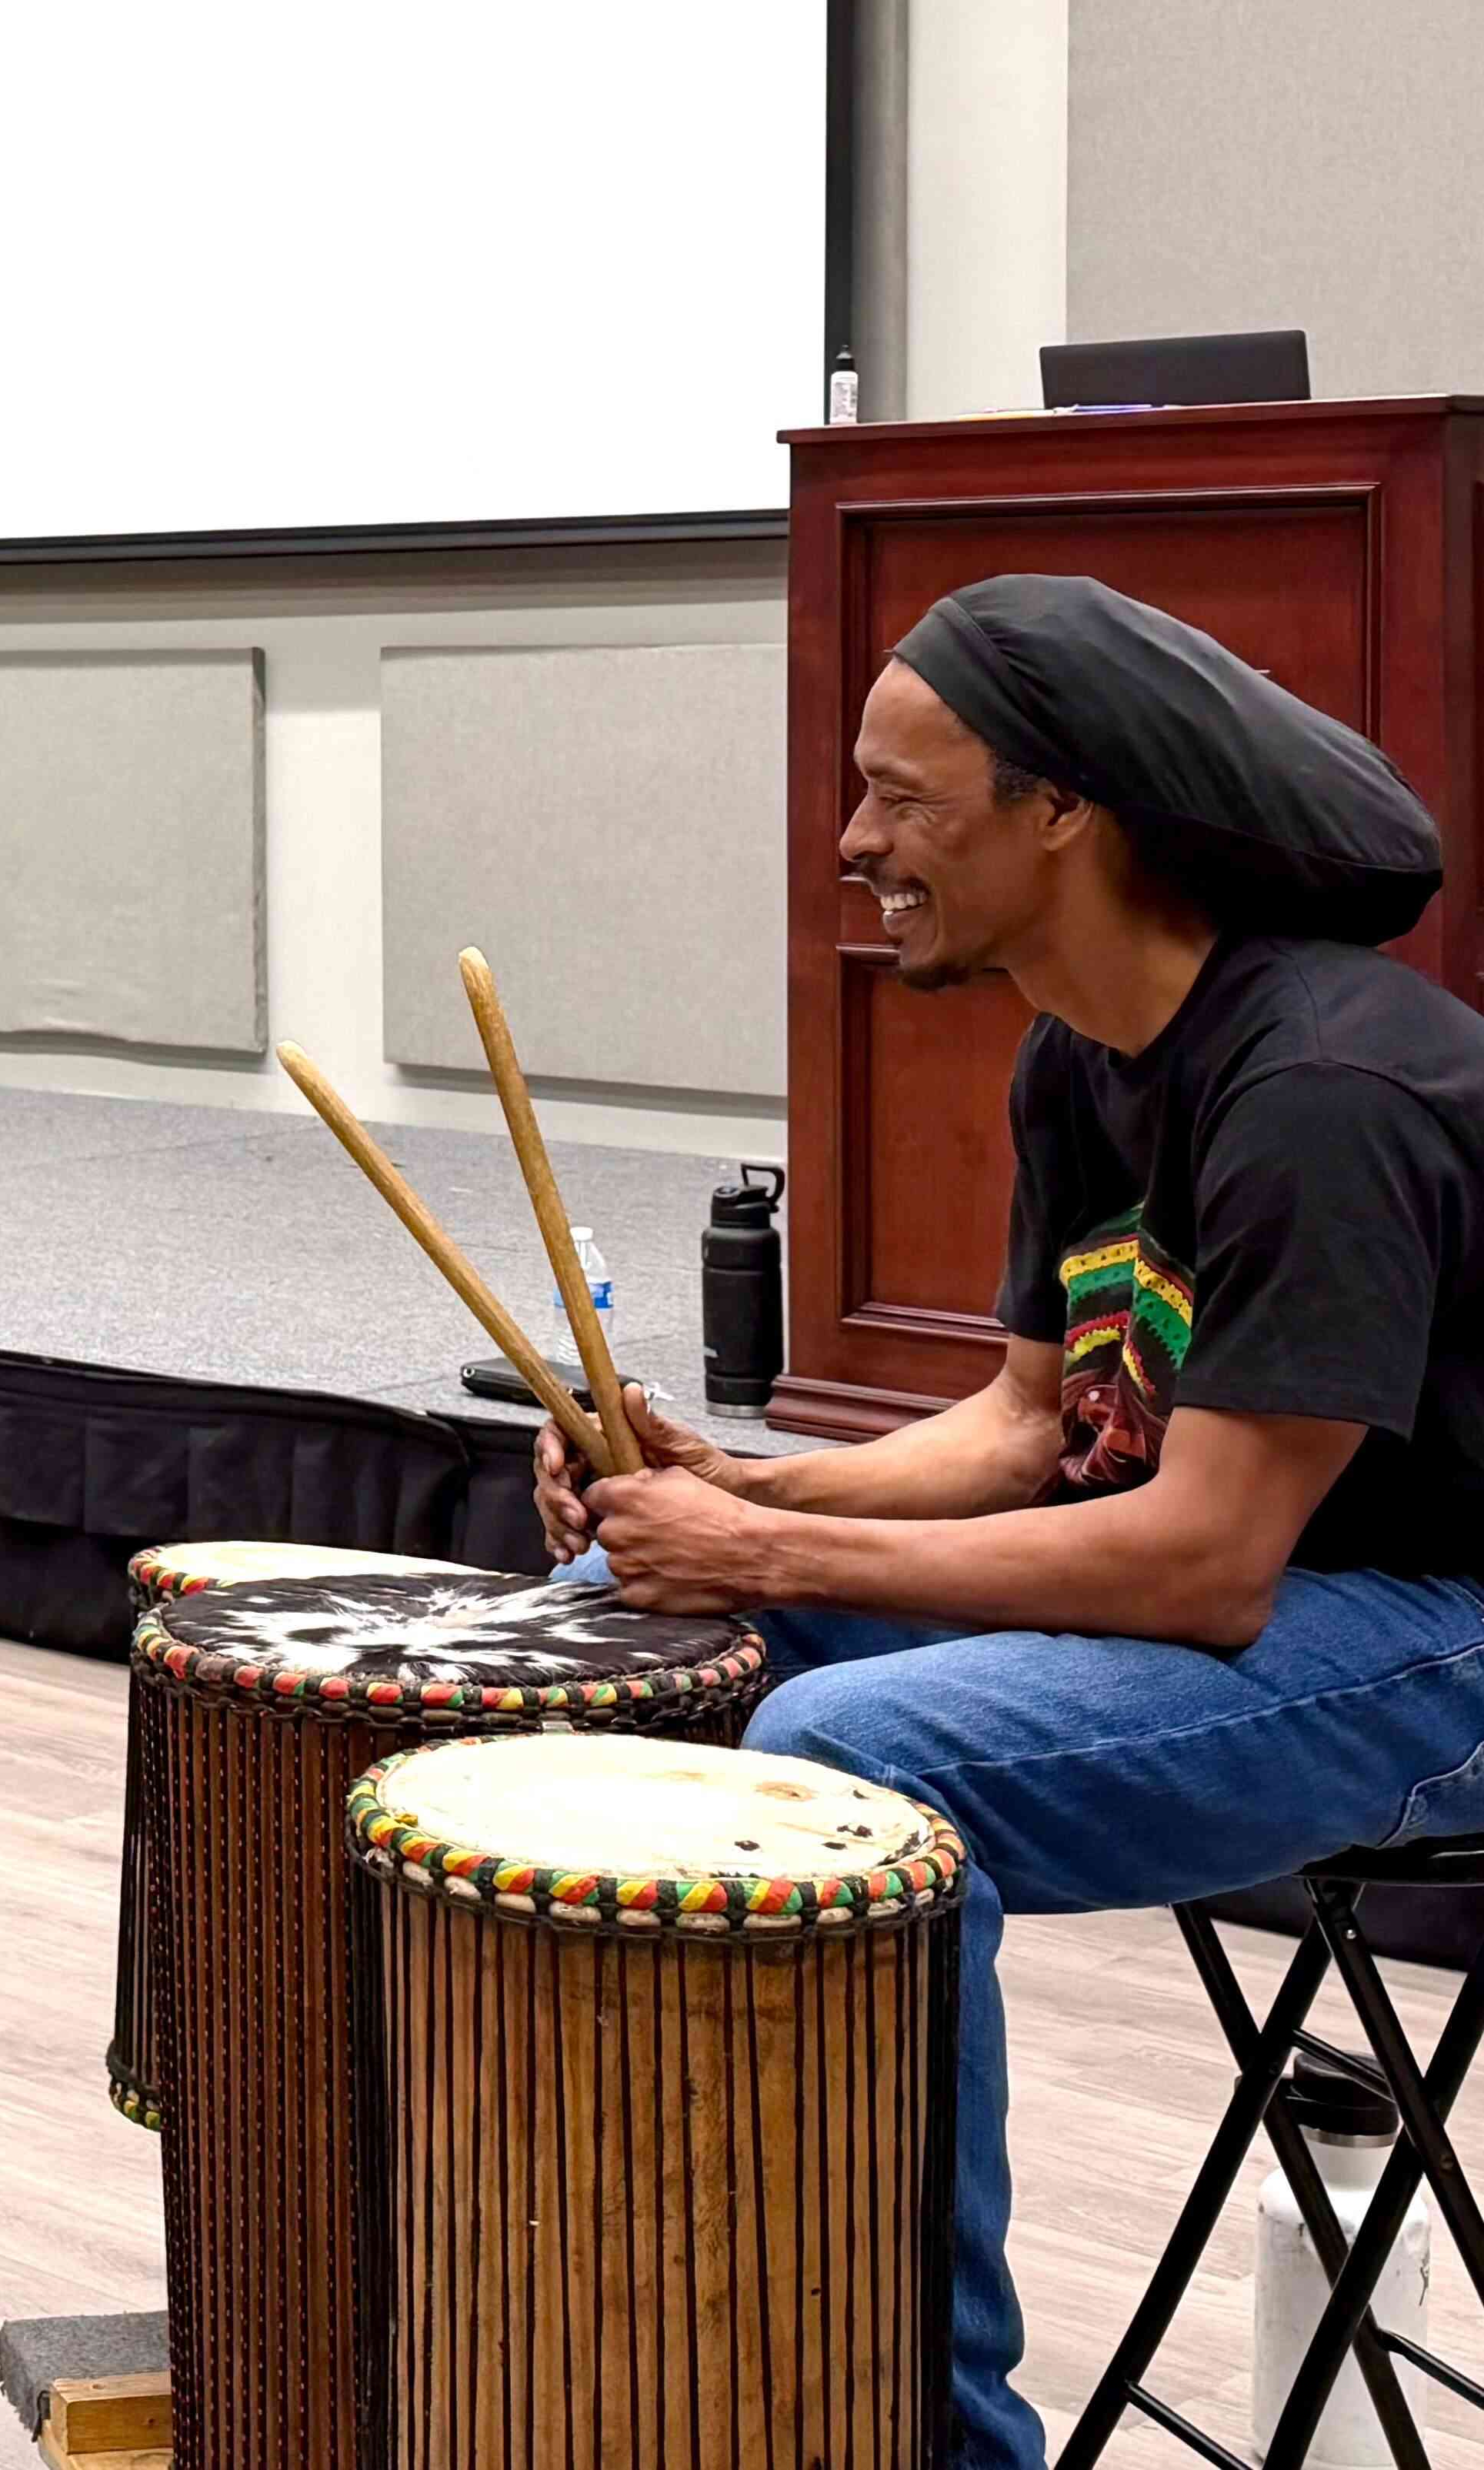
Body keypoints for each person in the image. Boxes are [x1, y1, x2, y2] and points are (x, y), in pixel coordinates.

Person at [537, 573, 1484, 2469]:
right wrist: (724, 1493)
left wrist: (781, 1555)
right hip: (1269, 1586)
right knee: (608, 1626)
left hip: (1437, 1626)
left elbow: (1201, 1563)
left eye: (903, 797)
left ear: (1066, 812)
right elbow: (1025, 1425)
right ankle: (647, 2342)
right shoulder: (1082, 1055)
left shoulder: (1321, 1087)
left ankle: (926, 2437)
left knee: (858, 1752)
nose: (852, 839)